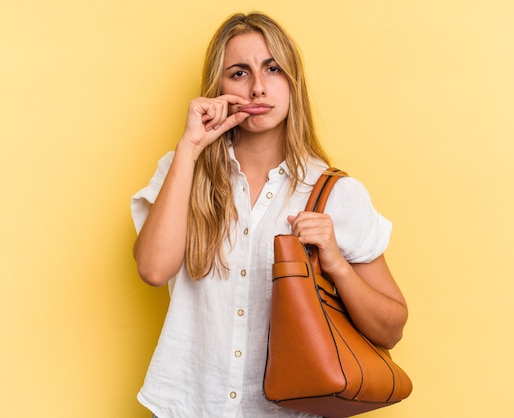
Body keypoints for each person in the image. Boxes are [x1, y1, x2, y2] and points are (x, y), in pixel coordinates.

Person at [130, 12, 408, 418]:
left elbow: (391, 329)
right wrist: (190, 148)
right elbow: (154, 269)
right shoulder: (183, 169)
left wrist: (336, 263)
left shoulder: (333, 193)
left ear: (293, 82)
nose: (258, 87)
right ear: (218, 88)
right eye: (239, 73)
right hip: (189, 405)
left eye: (272, 69)